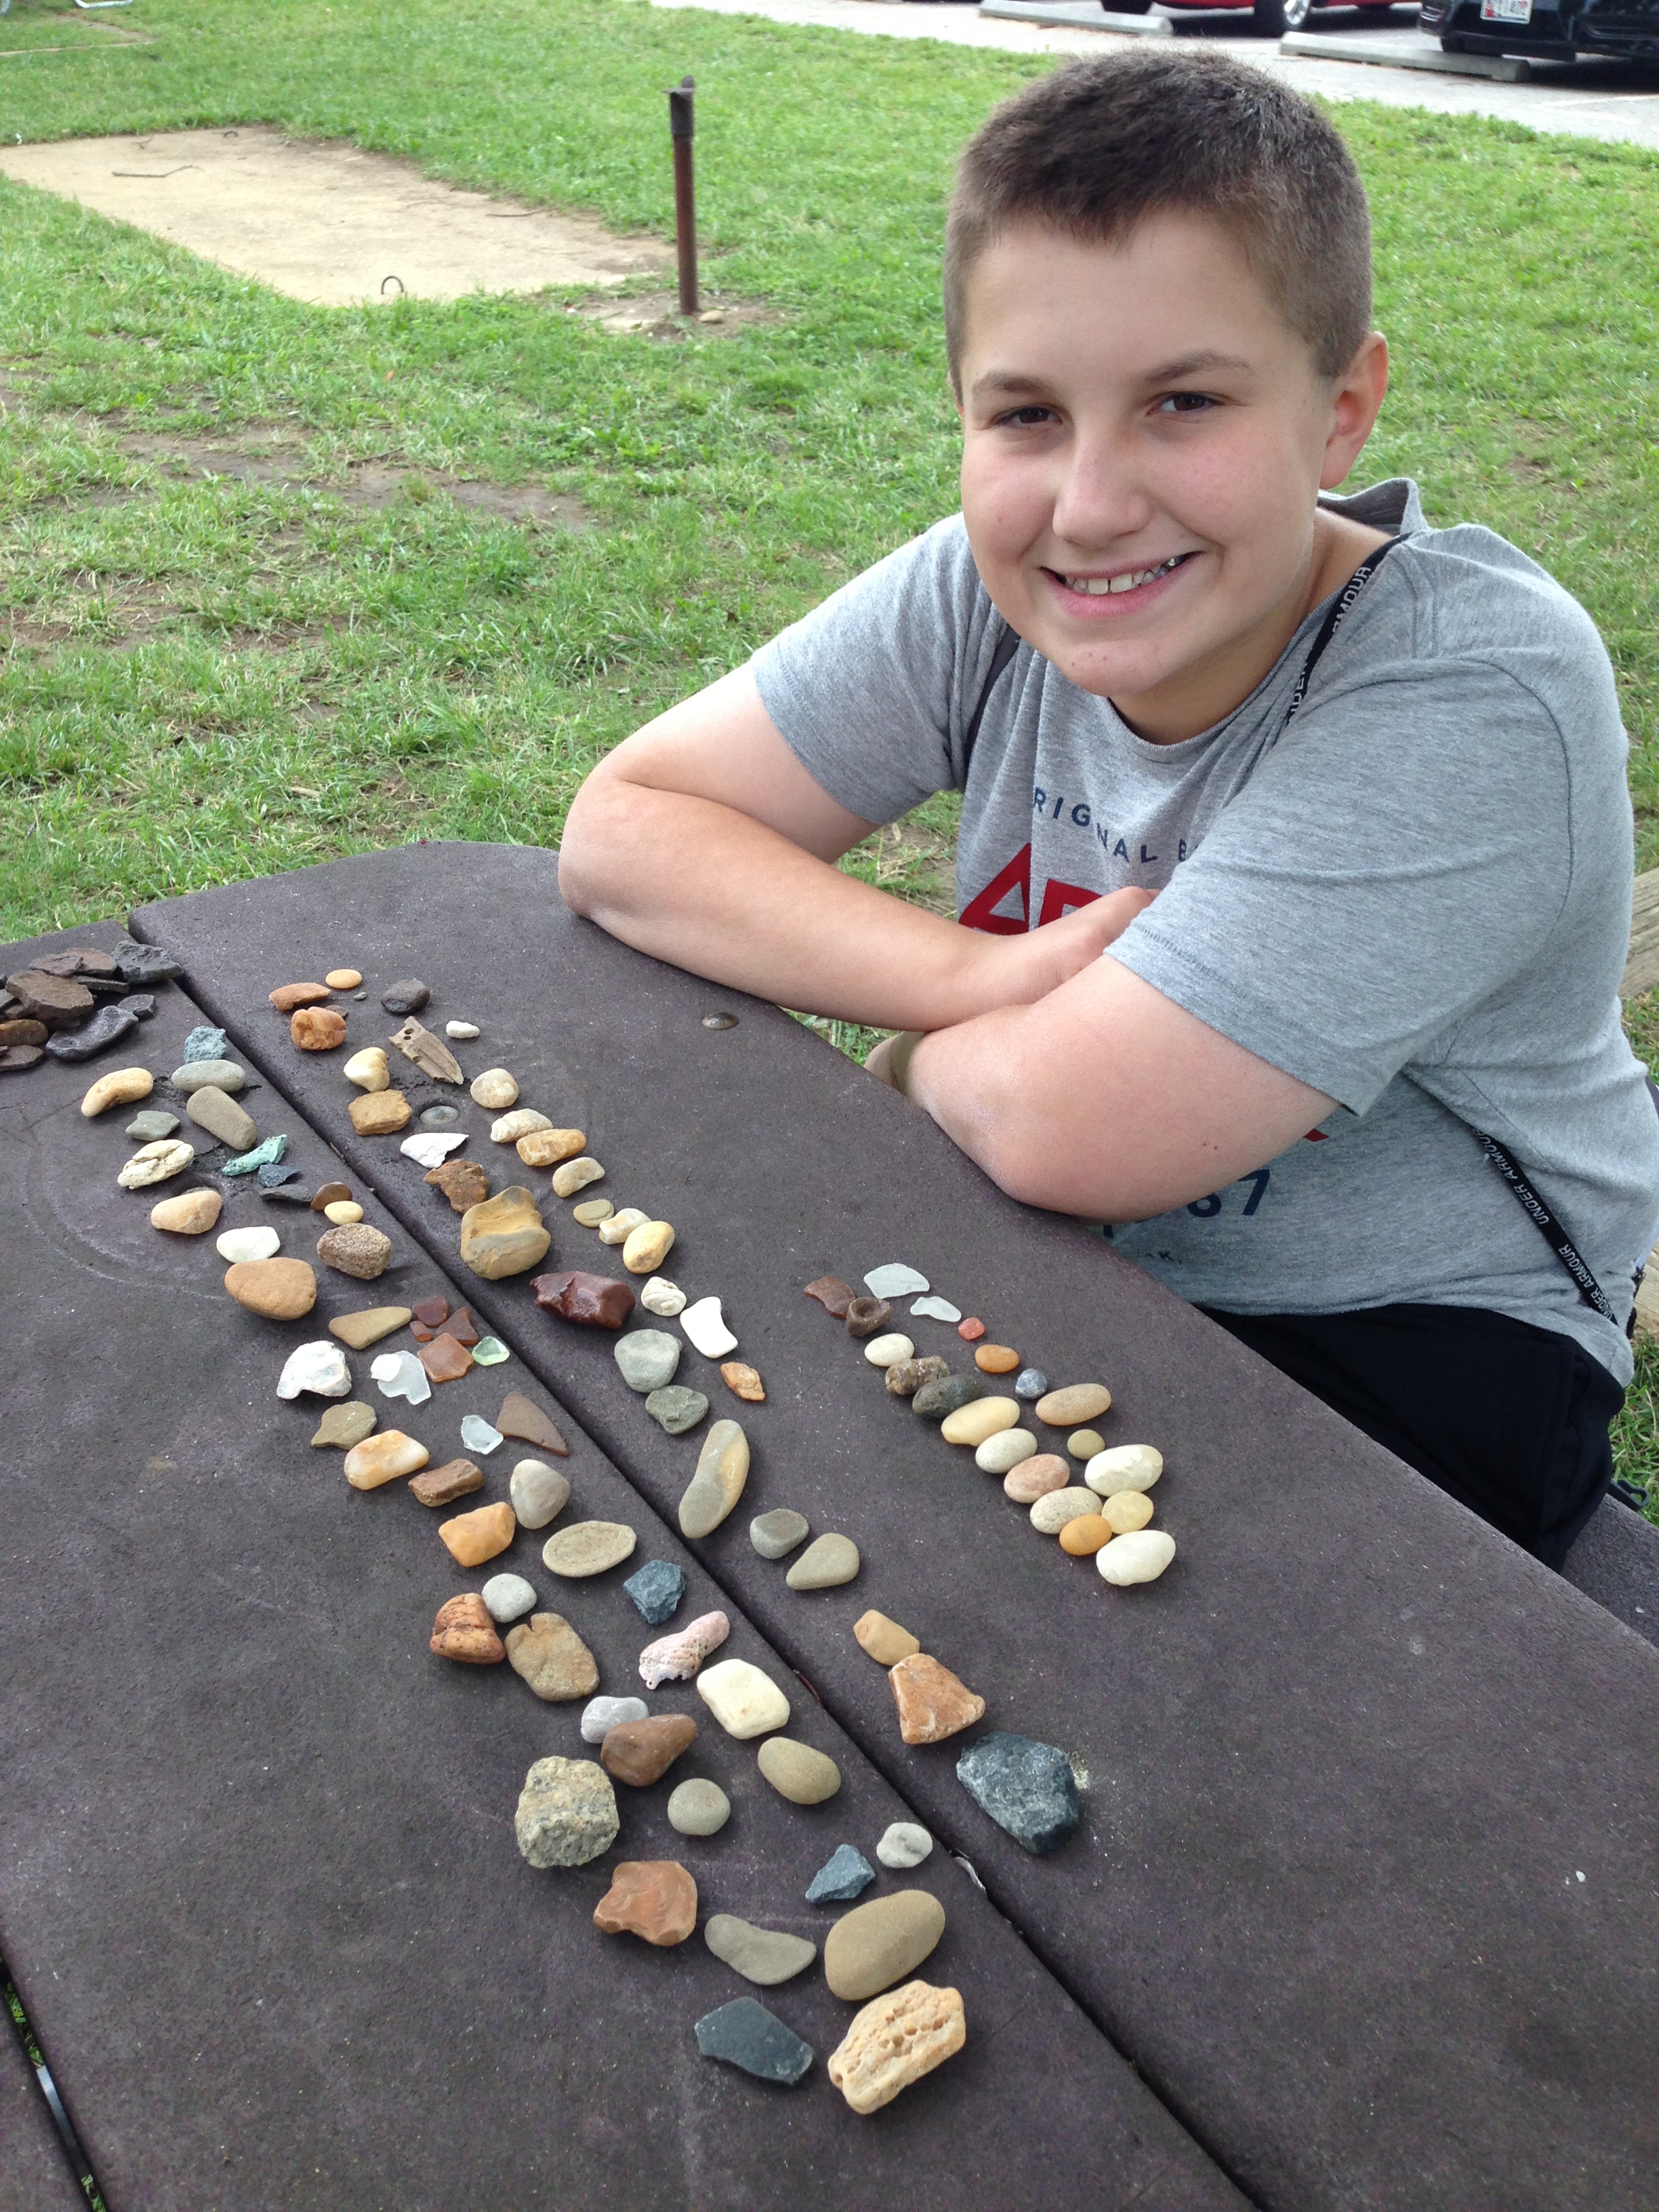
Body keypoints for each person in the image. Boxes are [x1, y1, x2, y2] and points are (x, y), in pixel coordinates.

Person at [559, 49, 1659, 1569]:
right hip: (1047, 1258)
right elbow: (627, 827)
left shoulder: (1472, 689)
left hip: (1414, 1335)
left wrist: (907, 1054)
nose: (1088, 505)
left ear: (1342, 410)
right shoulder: (993, 584)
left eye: (1183, 402)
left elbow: (1067, 1127)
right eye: (1026, 414)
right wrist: (976, 976)